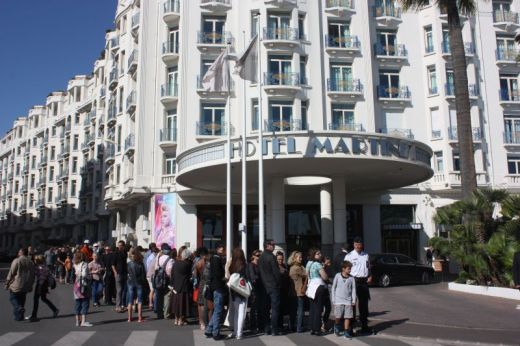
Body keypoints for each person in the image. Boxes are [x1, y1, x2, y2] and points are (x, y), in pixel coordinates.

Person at [345, 237, 372, 335]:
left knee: (364, 305)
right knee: (352, 304)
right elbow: (344, 269)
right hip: (353, 280)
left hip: (363, 282)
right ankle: (350, 328)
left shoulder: (366, 255)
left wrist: (370, 275)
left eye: (359, 244)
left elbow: (369, 266)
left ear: (362, 245)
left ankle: (364, 326)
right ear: (353, 244)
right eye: (356, 244)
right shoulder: (349, 256)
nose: (357, 246)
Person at [258, 239, 282, 335]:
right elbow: (276, 273)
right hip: (273, 286)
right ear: (267, 245)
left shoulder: (261, 257)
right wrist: (278, 283)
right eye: (273, 244)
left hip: (264, 286)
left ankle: (267, 328)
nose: (274, 246)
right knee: (275, 308)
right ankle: (274, 329)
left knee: (266, 308)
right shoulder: (271, 257)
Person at [5, 248, 35, 321]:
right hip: (26, 284)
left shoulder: (17, 260)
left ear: (21, 253)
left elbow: (11, 272)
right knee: (22, 299)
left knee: (13, 298)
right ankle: (19, 317)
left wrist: (7, 283)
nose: (18, 253)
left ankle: (18, 308)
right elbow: (33, 275)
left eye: (19, 252)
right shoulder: (31, 262)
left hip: (16, 283)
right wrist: (31, 284)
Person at [205, 242, 227, 340]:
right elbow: (218, 275)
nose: (223, 250)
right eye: (221, 248)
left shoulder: (213, 258)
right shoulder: (217, 259)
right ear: (218, 249)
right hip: (218, 287)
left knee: (216, 310)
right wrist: (225, 279)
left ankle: (209, 330)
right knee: (218, 310)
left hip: (214, 287)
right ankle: (216, 333)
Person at [306, 248, 329, 336]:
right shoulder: (318, 264)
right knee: (318, 308)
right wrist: (327, 278)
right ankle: (317, 329)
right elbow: (324, 277)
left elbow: (306, 274)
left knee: (312, 308)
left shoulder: (308, 263)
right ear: (313, 255)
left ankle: (311, 327)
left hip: (311, 286)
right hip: (318, 286)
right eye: (318, 254)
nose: (320, 255)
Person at [29, 255, 59, 321]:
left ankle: (34, 315)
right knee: (43, 298)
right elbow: (48, 275)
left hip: (40, 284)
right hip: (45, 284)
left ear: (38, 261)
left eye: (35, 260)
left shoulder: (38, 267)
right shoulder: (45, 267)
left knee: (36, 299)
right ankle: (55, 309)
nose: (34, 261)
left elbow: (35, 275)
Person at [331, 261, 356, 339]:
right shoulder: (337, 276)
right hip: (338, 300)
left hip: (348, 300)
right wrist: (333, 299)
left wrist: (353, 300)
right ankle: (336, 326)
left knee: (347, 317)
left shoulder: (352, 278)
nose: (350, 270)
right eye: (348, 269)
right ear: (343, 269)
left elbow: (353, 289)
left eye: (350, 269)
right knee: (338, 316)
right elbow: (333, 288)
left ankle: (346, 331)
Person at [227, 247, 248, 340]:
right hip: (242, 289)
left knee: (236, 312)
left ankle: (236, 331)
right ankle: (239, 333)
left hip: (233, 290)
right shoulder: (244, 265)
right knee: (241, 312)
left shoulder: (231, 264)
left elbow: (228, 276)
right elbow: (247, 277)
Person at [172, 247, 192, 326]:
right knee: (182, 304)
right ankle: (181, 320)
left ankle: (176, 319)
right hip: (184, 285)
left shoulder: (176, 263)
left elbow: (172, 274)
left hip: (176, 285)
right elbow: (190, 274)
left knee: (176, 303)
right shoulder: (188, 264)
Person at [153, 243, 174, 319]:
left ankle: (159, 314)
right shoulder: (170, 259)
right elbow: (169, 271)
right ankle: (166, 314)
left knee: (159, 297)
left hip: (158, 279)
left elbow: (155, 268)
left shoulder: (158, 257)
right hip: (166, 280)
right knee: (167, 296)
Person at [288, 250, 307, 333]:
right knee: (300, 311)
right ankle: (299, 327)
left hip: (294, 292)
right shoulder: (297, 268)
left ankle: (291, 326)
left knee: (293, 310)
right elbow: (307, 274)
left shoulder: (295, 267)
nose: (301, 259)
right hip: (299, 291)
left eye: (301, 257)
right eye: (299, 257)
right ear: (295, 258)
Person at [73, 252, 93, 327]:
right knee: (85, 302)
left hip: (76, 284)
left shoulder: (75, 264)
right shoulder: (84, 264)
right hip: (83, 284)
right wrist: (89, 275)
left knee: (77, 302)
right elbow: (84, 274)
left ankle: (77, 321)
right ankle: (83, 321)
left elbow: (76, 273)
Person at [127, 247, 146, 322]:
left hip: (130, 282)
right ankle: (139, 318)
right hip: (139, 283)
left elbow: (127, 273)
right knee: (140, 301)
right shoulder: (140, 264)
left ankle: (129, 318)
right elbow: (143, 275)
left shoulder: (128, 264)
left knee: (130, 301)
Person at [246, 249, 263, 333]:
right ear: (253, 256)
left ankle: (260, 325)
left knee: (260, 307)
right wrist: (261, 278)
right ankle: (252, 326)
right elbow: (253, 278)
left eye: (260, 255)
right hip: (254, 289)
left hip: (261, 288)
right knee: (254, 308)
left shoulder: (260, 265)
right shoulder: (251, 265)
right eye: (257, 255)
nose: (259, 257)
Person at [193, 247, 209, 330]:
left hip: (201, 284)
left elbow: (195, 276)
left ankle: (201, 322)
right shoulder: (208, 262)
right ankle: (207, 322)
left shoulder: (197, 263)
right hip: (208, 283)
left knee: (200, 304)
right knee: (207, 304)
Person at [276, 251, 290, 331]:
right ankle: (278, 325)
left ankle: (281, 324)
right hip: (278, 289)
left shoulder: (284, 266)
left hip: (284, 290)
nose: (280, 261)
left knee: (282, 308)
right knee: (278, 309)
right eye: (279, 259)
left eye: (281, 259)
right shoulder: (275, 267)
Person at [113, 240, 128, 313]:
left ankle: (123, 305)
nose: (119, 247)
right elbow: (113, 264)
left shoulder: (125, 253)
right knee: (119, 290)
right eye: (118, 245)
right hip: (118, 273)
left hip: (124, 273)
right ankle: (117, 306)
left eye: (121, 245)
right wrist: (115, 272)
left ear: (123, 246)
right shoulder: (115, 253)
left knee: (124, 290)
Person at [145, 243, 159, 310]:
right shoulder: (153, 257)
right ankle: (151, 303)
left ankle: (151, 303)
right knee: (152, 290)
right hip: (151, 275)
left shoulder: (150, 256)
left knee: (152, 290)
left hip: (149, 274)